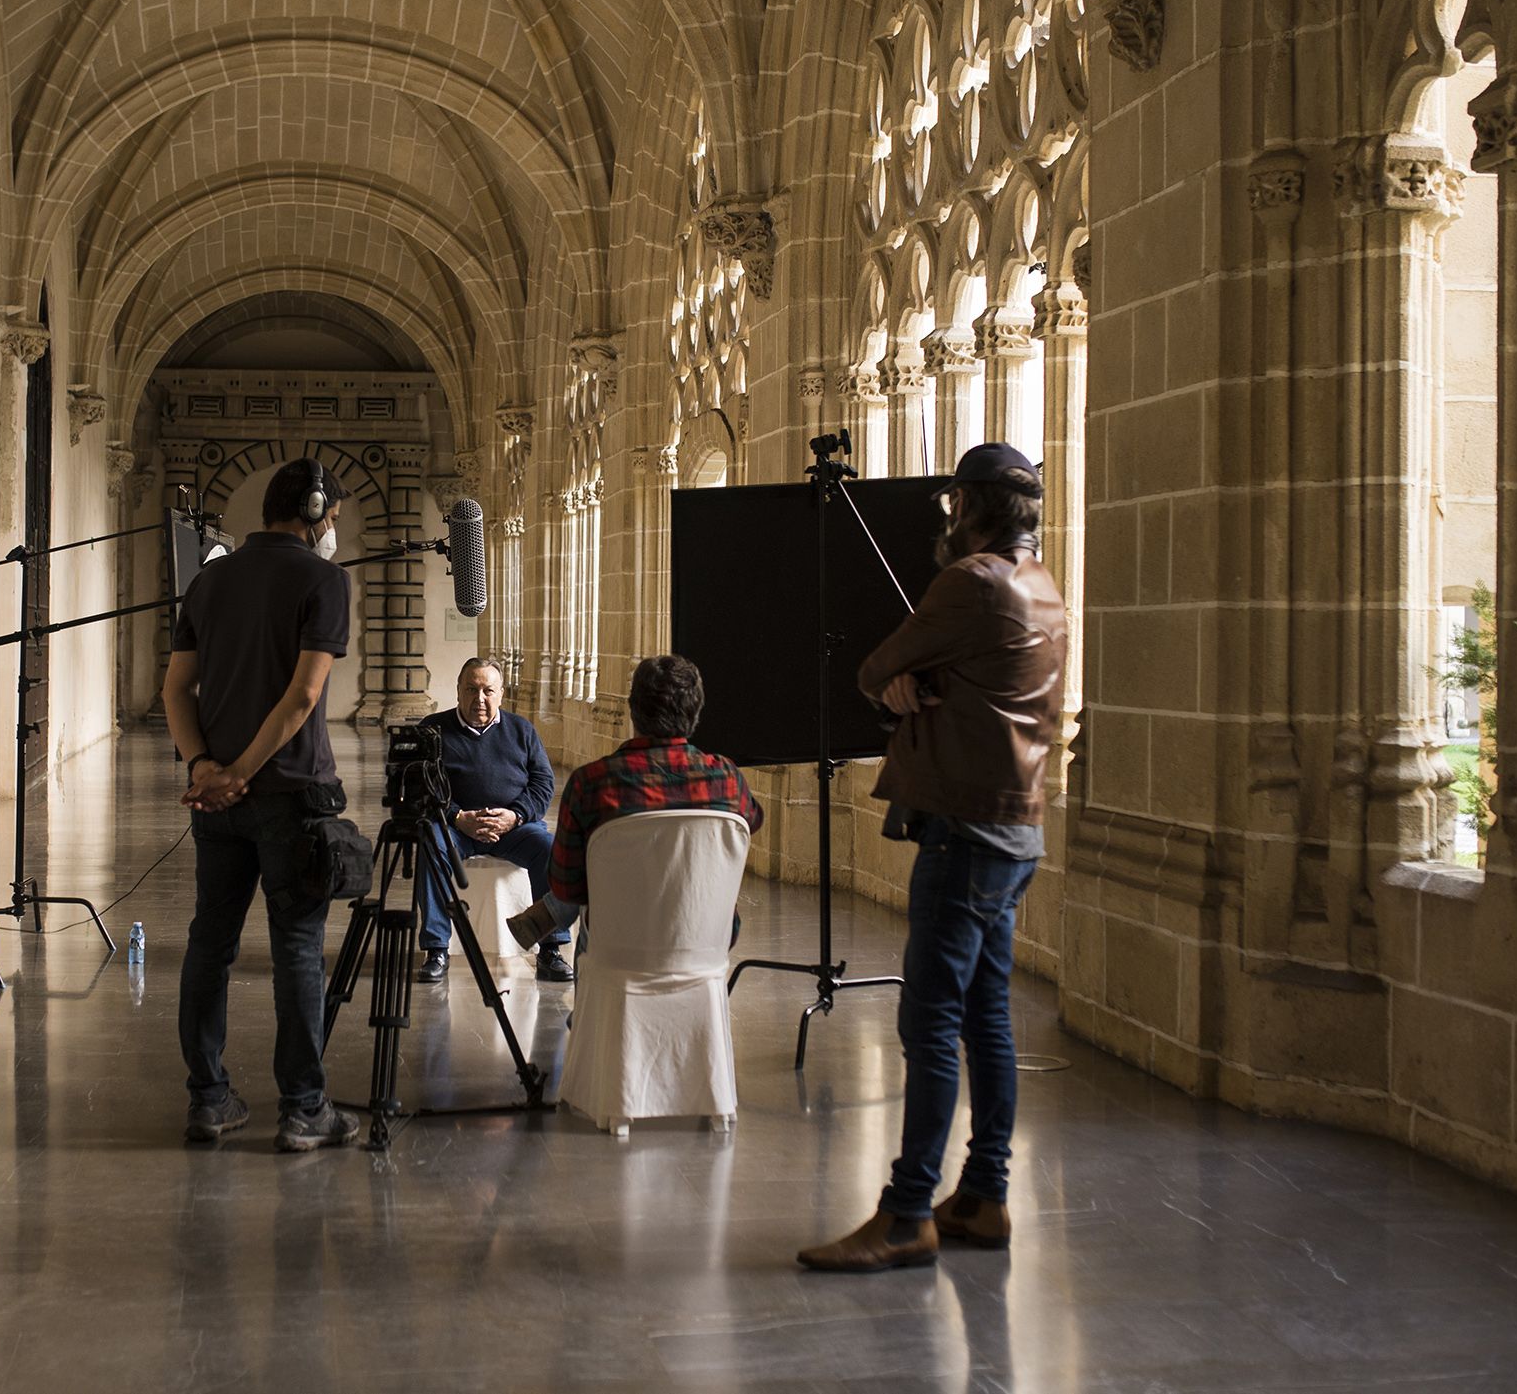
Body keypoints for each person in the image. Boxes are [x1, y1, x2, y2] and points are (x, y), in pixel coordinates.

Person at [798, 442, 1065, 1273]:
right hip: (1016, 827)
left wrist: (902, 684)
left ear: (973, 505)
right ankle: (984, 1195)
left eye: (953, 503)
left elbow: (877, 666)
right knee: (987, 1016)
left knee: (931, 1019)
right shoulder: (1042, 586)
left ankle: (908, 1210)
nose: (946, 518)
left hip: (963, 826)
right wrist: (920, 683)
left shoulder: (975, 581)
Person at [161, 456, 361, 1152]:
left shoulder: (209, 579)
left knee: (209, 942)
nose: (333, 530)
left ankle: (208, 1098)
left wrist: (204, 767)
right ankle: (304, 1108)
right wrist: (241, 770)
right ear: (312, 512)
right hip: (290, 793)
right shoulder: (325, 580)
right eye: (331, 518)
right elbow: (303, 696)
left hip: (215, 800)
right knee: (298, 948)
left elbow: (174, 690)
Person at [507, 654, 763, 948]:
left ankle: (544, 917)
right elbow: (751, 822)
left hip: (617, 951)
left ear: (632, 709)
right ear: (696, 711)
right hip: (704, 941)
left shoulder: (592, 784)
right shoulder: (727, 779)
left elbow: (566, 885)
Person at [412, 656, 572, 984]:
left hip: (514, 827)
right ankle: (436, 948)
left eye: (488, 690)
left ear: (501, 693)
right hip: (455, 826)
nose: (479, 699)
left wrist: (515, 815)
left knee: (550, 848)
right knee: (430, 843)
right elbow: (418, 786)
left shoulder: (522, 730)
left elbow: (543, 784)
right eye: (471, 689)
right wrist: (457, 816)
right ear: (457, 691)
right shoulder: (432, 730)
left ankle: (551, 948)